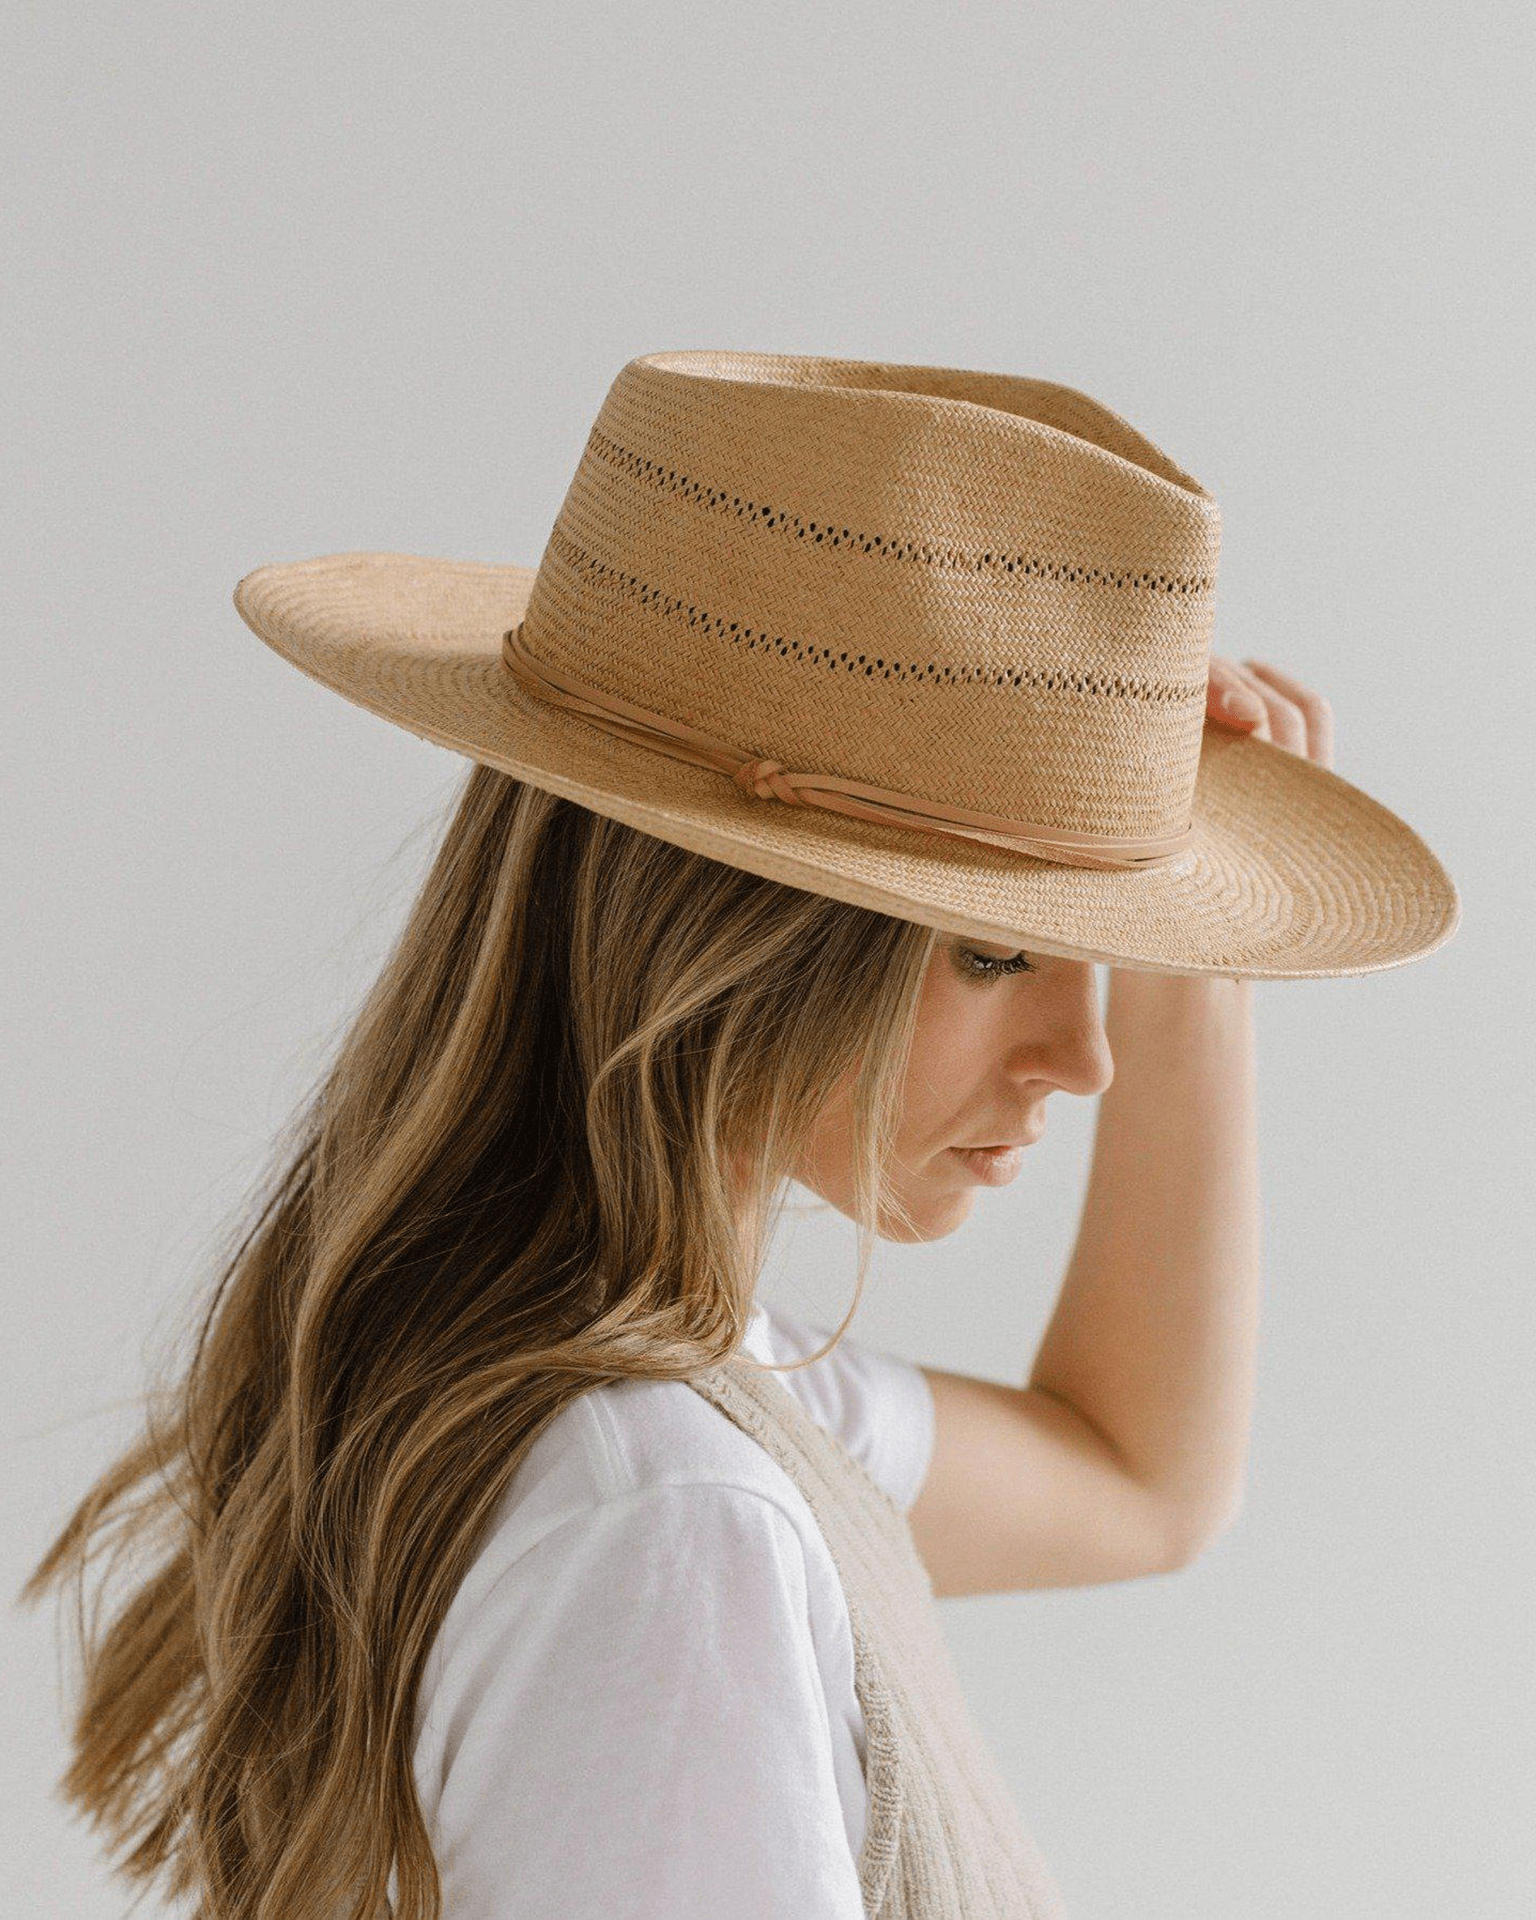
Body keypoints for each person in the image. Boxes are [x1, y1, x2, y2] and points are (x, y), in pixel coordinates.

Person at [21, 351, 1459, 1920]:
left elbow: (1138, 1482)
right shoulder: (669, 1517)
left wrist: (1202, 982)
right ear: (741, 939)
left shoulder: (650, 1391)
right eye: (994, 952)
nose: (1084, 1056)